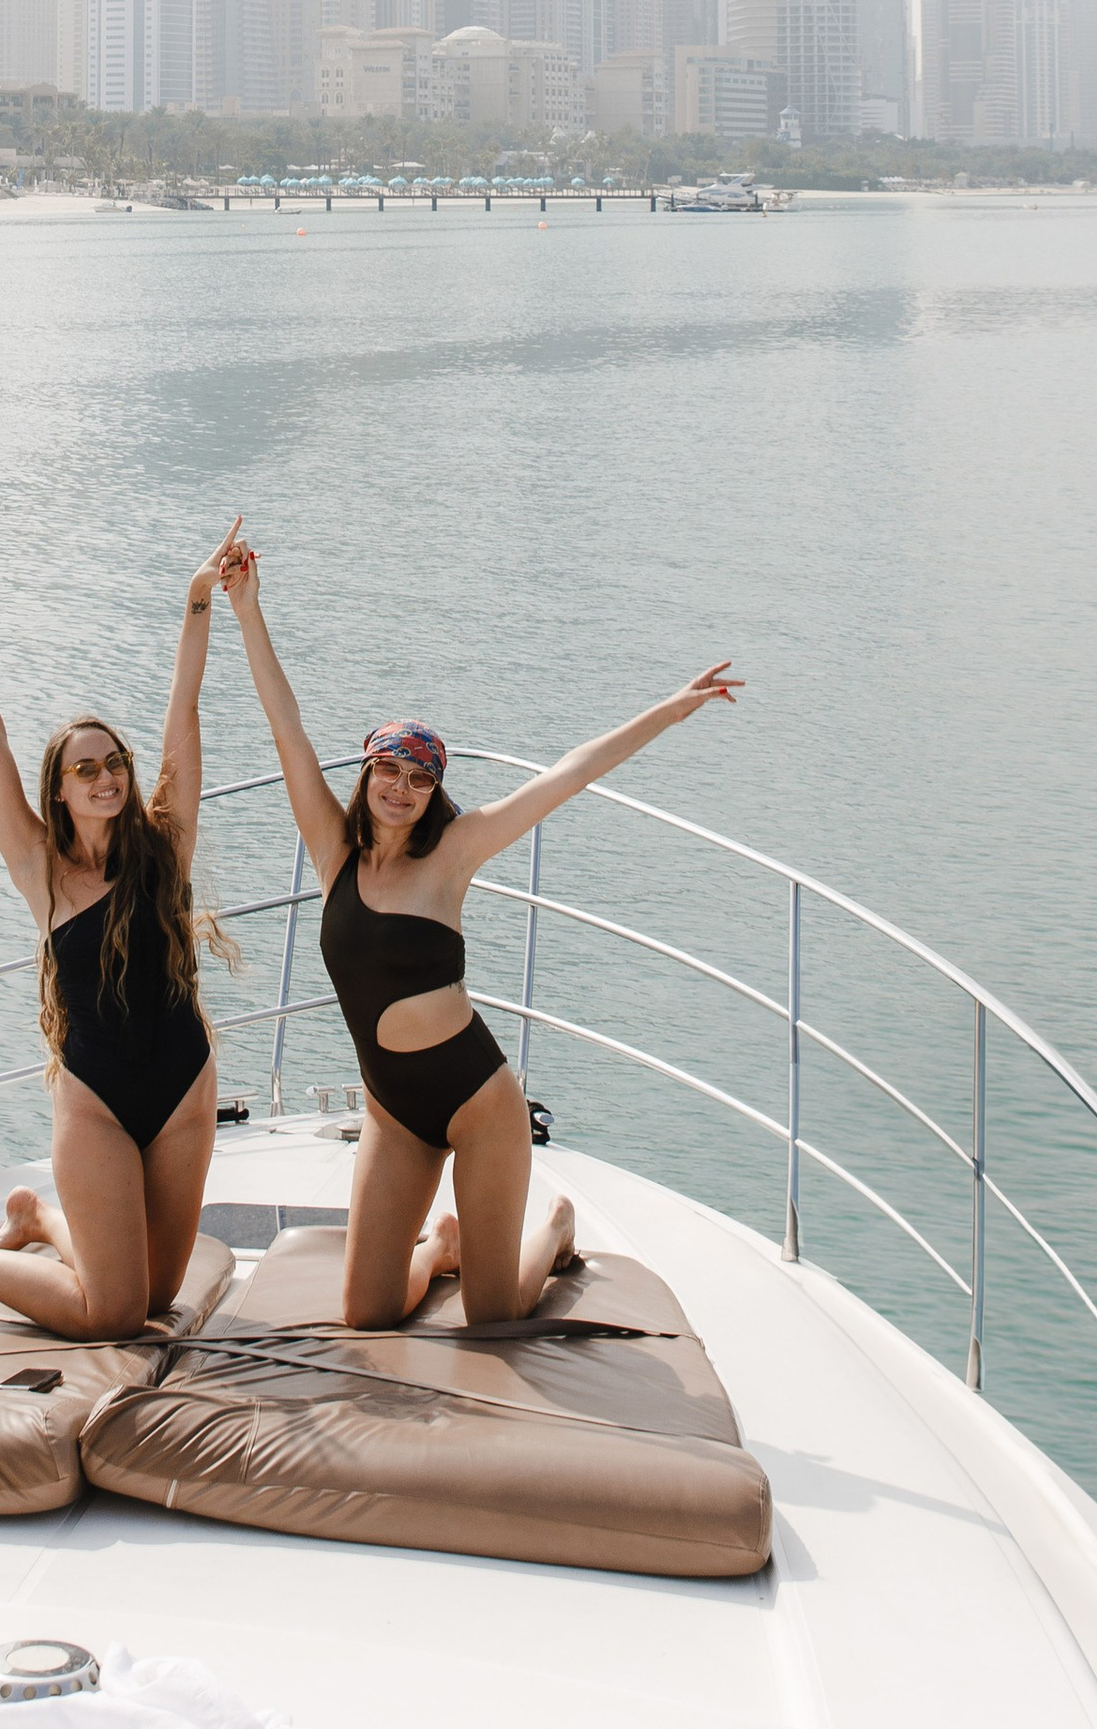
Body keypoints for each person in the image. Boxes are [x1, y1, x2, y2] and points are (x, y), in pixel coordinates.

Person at [220, 546, 740, 1329]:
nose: (401, 789)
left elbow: (568, 773)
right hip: (393, 1112)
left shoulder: (454, 853)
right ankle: (440, 1249)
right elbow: (286, 726)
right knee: (364, 1312)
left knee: (495, 1316)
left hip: (476, 1102)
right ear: (365, 773)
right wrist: (246, 608)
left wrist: (670, 708)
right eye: (388, 770)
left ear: (435, 793)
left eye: (420, 778)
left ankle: (556, 1230)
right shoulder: (334, 852)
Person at [0, 525, 243, 1336]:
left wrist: (196, 597)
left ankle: (39, 1220)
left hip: (184, 1088)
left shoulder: (165, 844)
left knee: (154, 1300)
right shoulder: (40, 868)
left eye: (113, 761)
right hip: (98, 1103)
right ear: (60, 788)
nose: (106, 775)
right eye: (86, 768)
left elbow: (184, 705)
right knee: (113, 1313)